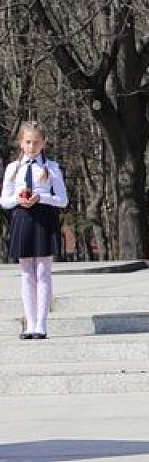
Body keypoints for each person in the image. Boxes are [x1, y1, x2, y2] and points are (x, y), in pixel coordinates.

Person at [1, 121, 69, 340]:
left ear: (43, 143)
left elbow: (63, 200)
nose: (32, 146)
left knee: (42, 272)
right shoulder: (13, 169)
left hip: (44, 218)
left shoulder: (51, 168)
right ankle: (29, 323)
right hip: (22, 218)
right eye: (28, 142)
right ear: (21, 143)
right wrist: (18, 198)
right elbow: (4, 200)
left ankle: (41, 323)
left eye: (36, 142)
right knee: (26, 273)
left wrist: (42, 197)